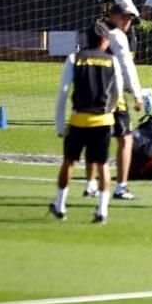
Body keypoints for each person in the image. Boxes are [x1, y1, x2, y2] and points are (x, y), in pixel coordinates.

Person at [50, 22, 123, 224]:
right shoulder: (112, 61)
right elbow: (118, 90)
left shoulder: (75, 58)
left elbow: (63, 92)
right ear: (103, 40)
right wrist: (111, 108)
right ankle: (101, 211)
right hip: (102, 120)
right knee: (103, 165)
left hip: (78, 120)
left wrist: (59, 125)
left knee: (69, 162)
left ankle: (60, 205)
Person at [83, 0, 144, 200]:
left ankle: (90, 184)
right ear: (115, 15)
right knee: (125, 140)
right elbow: (127, 66)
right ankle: (121, 187)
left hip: (91, 94)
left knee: (95, 138)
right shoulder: (118, 36)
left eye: (130, 19)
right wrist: (137, 94)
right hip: (113, 95)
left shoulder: (95, 30)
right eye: (126, 17)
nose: (128, 22)